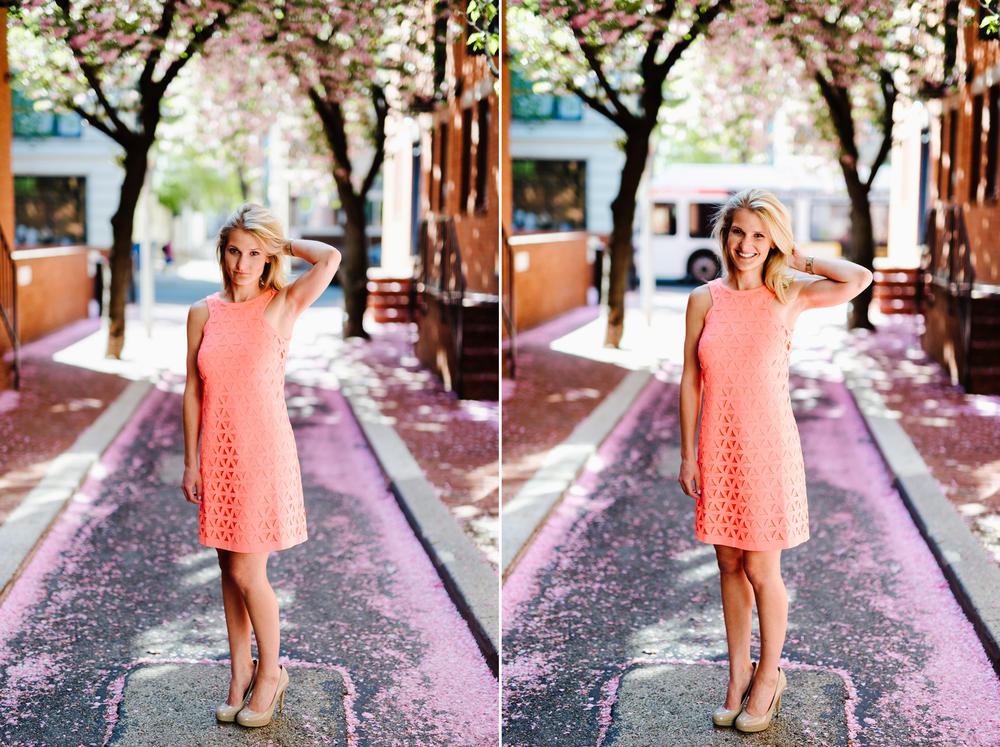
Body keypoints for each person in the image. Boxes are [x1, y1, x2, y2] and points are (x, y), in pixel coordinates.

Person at [678, 189, 872, 733]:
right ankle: (737, 676)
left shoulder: (788, 293)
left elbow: (858, 278)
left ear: (773, 242)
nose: (747, 244)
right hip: (718, 446)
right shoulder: (704, 299)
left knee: (762, 569)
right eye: (739, 232)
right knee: (728, 565)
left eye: (760, 235)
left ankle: (769, 677)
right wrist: (688, 452)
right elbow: (691, 377)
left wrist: (797, 255)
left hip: (769, 448)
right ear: (725, 236)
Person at [181, 203, 341, 728]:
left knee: (250, 571)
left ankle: (271, 672)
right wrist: (191, 461)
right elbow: (192, 389)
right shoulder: (203, 312)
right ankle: (239, 672)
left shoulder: (283, 304)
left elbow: (331, 257)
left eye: (254, 253)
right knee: (228, 570)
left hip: (263, 454)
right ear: (221, 253)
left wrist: (278, 241)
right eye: (234, 251)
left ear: (266, 256)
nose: (243, 263)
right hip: (218, 456)